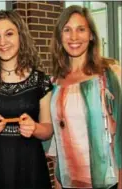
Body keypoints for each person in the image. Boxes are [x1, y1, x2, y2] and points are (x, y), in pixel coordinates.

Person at [0, 10, 53, 189]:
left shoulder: (41, 81)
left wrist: (35, 128)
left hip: (29, 166)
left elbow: (48, 130)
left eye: (9, 34)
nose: (3, 42)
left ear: (21, 36)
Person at [49, 5, 122, 189]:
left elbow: (121, 133)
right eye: (67, 30)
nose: (74, 37)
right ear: (60, 36)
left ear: (91, 35)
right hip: (68, 183)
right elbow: (57, 141)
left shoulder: (108, 74)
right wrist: (58, 183)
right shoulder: (54, 83)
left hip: (106, 182)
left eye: (81, 29)